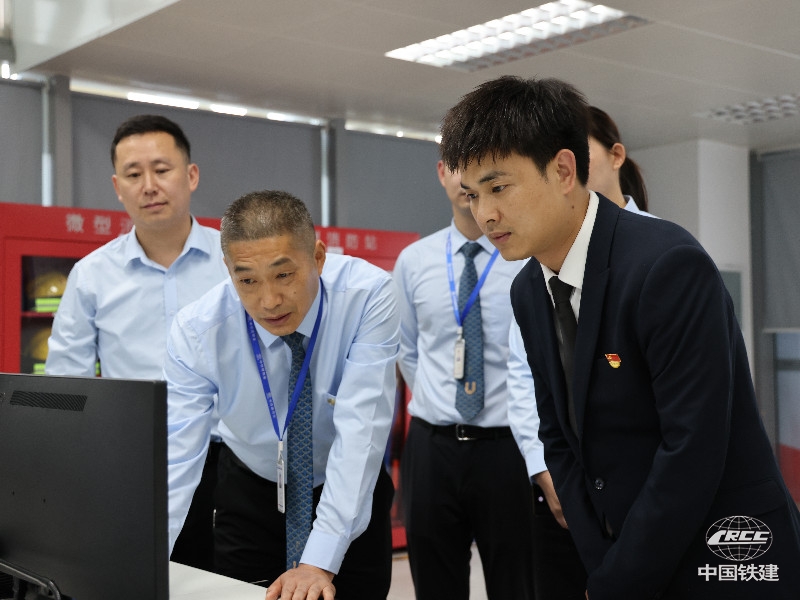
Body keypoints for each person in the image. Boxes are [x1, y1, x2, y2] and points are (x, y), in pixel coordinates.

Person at [440, 75, 800, 599]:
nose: (485, 214)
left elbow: (692, 448)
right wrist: (602, 560)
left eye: (498, 188)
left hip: (723, 554)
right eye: (472, 195)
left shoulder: (665, 263)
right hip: (617, 556)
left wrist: (619, 579)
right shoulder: (527, 289)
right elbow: (557, 434)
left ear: (564, 170)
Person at [165, 190, 398, 600]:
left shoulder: (368, 296)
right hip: (251, 487)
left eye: (284, 275)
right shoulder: (198, 330)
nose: (268, 301)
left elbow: (360, 433)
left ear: (318, 258)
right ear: (229, 270)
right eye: (247, 280)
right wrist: (139, 562)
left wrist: (318, 563)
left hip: (345, 483)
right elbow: (177, 458)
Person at [45, 113, 228, 572]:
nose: (149, 186)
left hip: (229, 461)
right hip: (132, 462)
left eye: (162, 169)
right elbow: (67, 382)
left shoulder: (233, 263)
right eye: (133, 174)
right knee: (140, 580)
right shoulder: (92, 275)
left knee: (227, 583)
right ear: (117, 186)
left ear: (191, 175)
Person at [507, 104, 657, 599]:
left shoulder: (664, 254)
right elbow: (528, 377)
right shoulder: (533, 276)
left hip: (653, 493)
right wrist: (545, 469)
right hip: (570, 486)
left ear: (614, 156)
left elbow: (692, 425)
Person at [394, 161, 534, 599]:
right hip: (432, 448)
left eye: (480, 169)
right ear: (441, 173)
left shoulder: (524, 258)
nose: (466, 182)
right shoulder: (414, 261)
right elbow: (406, 349)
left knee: (517, 584)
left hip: (507, 449)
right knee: (436, 585)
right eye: (457, 168)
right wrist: (441, 399)